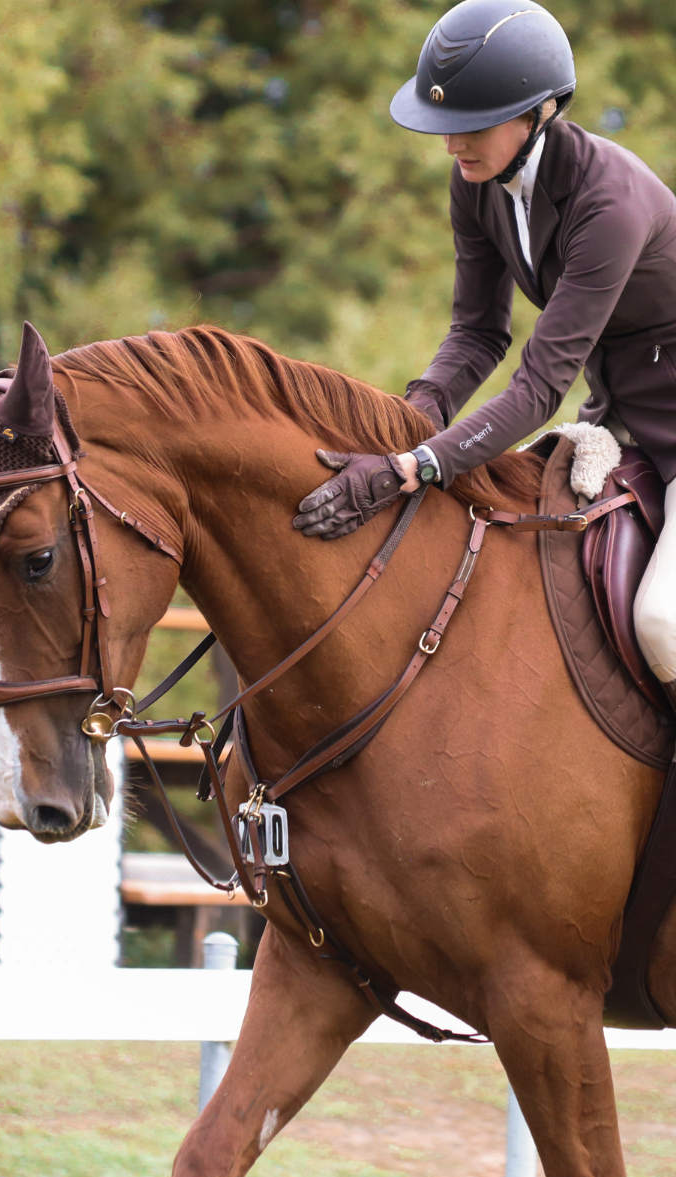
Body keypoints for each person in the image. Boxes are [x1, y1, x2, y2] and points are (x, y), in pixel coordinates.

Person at [294, 0, 676, 709]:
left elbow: (537, 385)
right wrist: (403, 424)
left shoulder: (611, 205)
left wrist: (415, 466)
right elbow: (476, 331)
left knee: (663, 623)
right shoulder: (479, 183)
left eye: (469, 127)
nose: (450, 147)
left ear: (539, 114)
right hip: (619, 423)